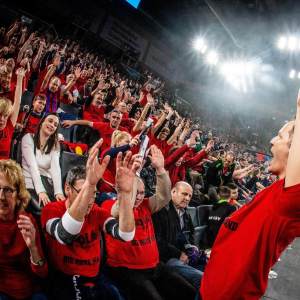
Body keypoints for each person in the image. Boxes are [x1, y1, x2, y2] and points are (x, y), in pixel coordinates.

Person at [200, 93, 300, 299]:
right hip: (209, 287)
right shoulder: (276, 192)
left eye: (280, 137)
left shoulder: (288, 201)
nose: (272, 141)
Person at [41, 139, 138, 300]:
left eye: (93, 194)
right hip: (66, 279)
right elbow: (65, 234)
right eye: (82, 192)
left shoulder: (96, 212)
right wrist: (90, 184)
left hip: (96, 277)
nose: (89, 200)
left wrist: (126, 194)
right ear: (67, 189)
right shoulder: (51, 209)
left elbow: (125, 234)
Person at [102, 145, 196, 300]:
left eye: (142, 192)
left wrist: (160, 170)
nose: (139, 197)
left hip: (155, 266)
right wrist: (126, 193)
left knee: (189, 292)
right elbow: (116, 211)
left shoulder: (145, 205)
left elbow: (164, 197)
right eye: (135, 192)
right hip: (129, 270)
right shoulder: (110, 206)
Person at [0, 159, 48, 300]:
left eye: (8, 190)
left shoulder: (27, 221)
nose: (1, 196)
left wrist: (32, 247)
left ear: (19, 195)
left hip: (29, 290)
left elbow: (42, 273)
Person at [152, 181, 204, 289]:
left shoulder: (185, 214)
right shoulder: (160, 211)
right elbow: (157, 241)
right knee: (202, 278)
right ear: (173, 192)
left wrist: (192, 247)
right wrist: (178, 254)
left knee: (213, 268)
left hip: (183, 255)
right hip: (167, 259)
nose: (188, 198)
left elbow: (190, 235)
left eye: (190, 196)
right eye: (184, 194)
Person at [21, 113, 64, 213]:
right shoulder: (28, 138)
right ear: (41, 123)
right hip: (30, 183)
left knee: (60, 208)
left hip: (48, 185)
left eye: (55, 124)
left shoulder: (55, 145)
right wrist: (41, 191)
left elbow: (56, 169)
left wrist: (58, 192)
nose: (52, 125)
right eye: (50, 121)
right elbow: (33, 167)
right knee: (47, 210)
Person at [62, 109, 128, 150]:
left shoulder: (124, 131)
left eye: (118, 118)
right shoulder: (104, 126)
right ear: (110, 118)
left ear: (121, 120)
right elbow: (88, 123)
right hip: (101, 155)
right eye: (113, 117)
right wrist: (73, 122)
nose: (115, 120)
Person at [0, 67, 24, 159]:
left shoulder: (9, 126)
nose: (2, 119)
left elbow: (17, 101)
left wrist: (19, 78)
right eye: (0, 115)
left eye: (5, 116)